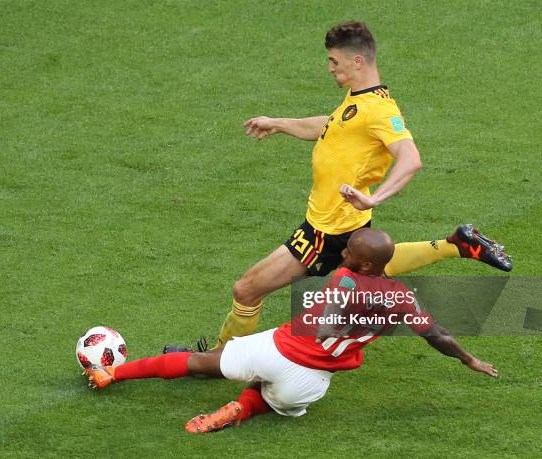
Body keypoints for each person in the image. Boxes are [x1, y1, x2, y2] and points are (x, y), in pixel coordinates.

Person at [166, 20, 512, 352]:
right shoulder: (358, 100)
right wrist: (277, 123)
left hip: (327, 230)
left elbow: (410, 158)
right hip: (333, 225)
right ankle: (456, 244)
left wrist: (374, 197)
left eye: (334, 61)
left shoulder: (379, 110)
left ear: (357, 60)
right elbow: (329, 126)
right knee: (369, 269)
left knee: (247, 289)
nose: (330, 68)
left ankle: (218, 358)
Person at [85, 228, 498, 434]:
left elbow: (336, 304)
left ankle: (111, 373)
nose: (344, 252)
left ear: (365, 264)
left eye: (350, 250)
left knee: (197, 362)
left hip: (276, 348)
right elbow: (437, 334)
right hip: (309, 379)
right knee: (277, 401)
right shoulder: (401, 300)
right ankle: (239, 410)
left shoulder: (343, 279)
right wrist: (469, 359)